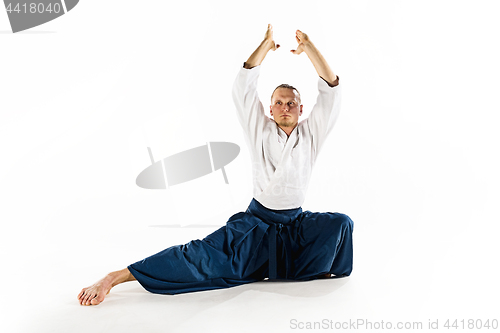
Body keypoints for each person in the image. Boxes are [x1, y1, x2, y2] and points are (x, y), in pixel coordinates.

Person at [78, 25, 353, 306]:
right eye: (279, 103)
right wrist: (265, 46)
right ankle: (114, 277)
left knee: (340, 224)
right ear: (269, 109)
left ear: (300, 108)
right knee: (197, 256)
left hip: (295, 226)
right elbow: (243, 87)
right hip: (256, 225)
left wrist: (309, 48)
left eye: (291, 103)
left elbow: (331, 90)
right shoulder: (259, 127)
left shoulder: (311, 133)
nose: (285, 107)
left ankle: (291, 266)